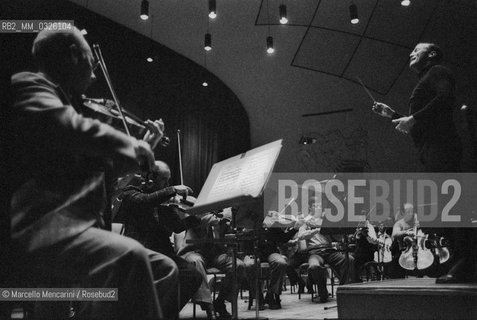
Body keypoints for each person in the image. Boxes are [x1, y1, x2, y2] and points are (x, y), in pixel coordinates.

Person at [9, 27, 178, 319]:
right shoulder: (29, 86)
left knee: (165, 269)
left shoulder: (73, 106)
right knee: (131, 258)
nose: (95, 75)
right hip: (41, 227)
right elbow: (68, 126)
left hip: (79, 227)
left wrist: (143, 150)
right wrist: (131, 144)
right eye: (90, 61)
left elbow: (103, 170)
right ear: (74, 55)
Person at [115, 160, 202, 319]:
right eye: (164, 179)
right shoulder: (131, 192)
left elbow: (177, 226)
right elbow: (144, 201)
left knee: (193, 276)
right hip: (140, 253)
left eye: (169, 180)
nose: (167, 183)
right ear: (150, 177)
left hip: (162, 252)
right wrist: (172, 189)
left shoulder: (165, 202)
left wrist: (198, 216)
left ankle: (165, 313)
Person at [372, 43, 462, 172]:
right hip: (432, 148)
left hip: (441, 146)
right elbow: (424, 122)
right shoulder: (428, 77)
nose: (411, 54)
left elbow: (445, 97)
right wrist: (392, 115)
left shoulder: (437, 70)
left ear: (431, 54)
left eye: (416, 50)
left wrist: (413, 119)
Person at [176, 208, 245, 320]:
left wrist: (227, 224)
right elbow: (190, 221)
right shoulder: (197, 211)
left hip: (215, 254)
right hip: (193, 251)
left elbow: (226, 239)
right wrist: (205, 219)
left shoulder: (223, 217)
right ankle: (209, 306)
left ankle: (220, 301)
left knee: (238, 265)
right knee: (196, 262)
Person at [287, 197, 355, 303]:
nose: (318, 207)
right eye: (316, 205)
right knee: (314, 266)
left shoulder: (326, 220)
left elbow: (337, 238)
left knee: (349, 259)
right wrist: (316, 230)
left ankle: (343, 290)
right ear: (310, 207)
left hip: (329, 250)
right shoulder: (305, 221)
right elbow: (300, 236)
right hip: (314, 252)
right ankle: (322, 292)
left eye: (319, 205)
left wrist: (339, 231)